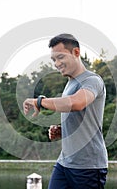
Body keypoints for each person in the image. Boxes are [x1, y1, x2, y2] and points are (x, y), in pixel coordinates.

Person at [23, 33, 108, 189]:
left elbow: (76, 103)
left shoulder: (92, 80)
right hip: (65, 163)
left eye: (60, 57)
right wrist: (63, 130)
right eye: (54, 60)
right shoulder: (69, 84)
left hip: (88, 166)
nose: (57, 63)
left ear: (76, 52)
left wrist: (40, 101)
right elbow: (80, 119)